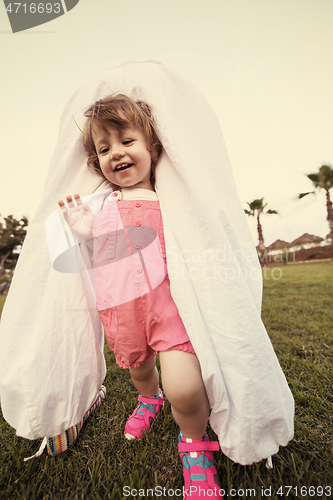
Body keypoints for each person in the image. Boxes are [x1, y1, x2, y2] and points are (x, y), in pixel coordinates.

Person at [58, 94, 223, 498]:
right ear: (97, 163)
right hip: (123, 310)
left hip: (168, 307)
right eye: (104, 148)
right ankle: (149, 400)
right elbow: (105, 253)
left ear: (152, 147)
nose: (116, 153)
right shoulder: (104, 205)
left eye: (126, 141)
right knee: (139, 368)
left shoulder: (171, 200)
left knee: (184, 387)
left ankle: (195, 446)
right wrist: (85, 231)